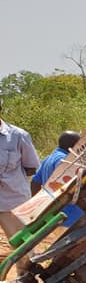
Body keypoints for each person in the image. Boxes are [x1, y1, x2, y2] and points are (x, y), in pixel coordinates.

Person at [0, 98, 40, 254]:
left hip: (13, 201)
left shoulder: (18, 136)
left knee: (23, 248)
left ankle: (28, 270)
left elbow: (31, 167)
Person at [31, 130, 80, 194]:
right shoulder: (64, 159)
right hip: (64, 198)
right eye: (79, 143)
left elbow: (35, 182)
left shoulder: (49, 158)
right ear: (74, 145)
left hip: (51, 198)